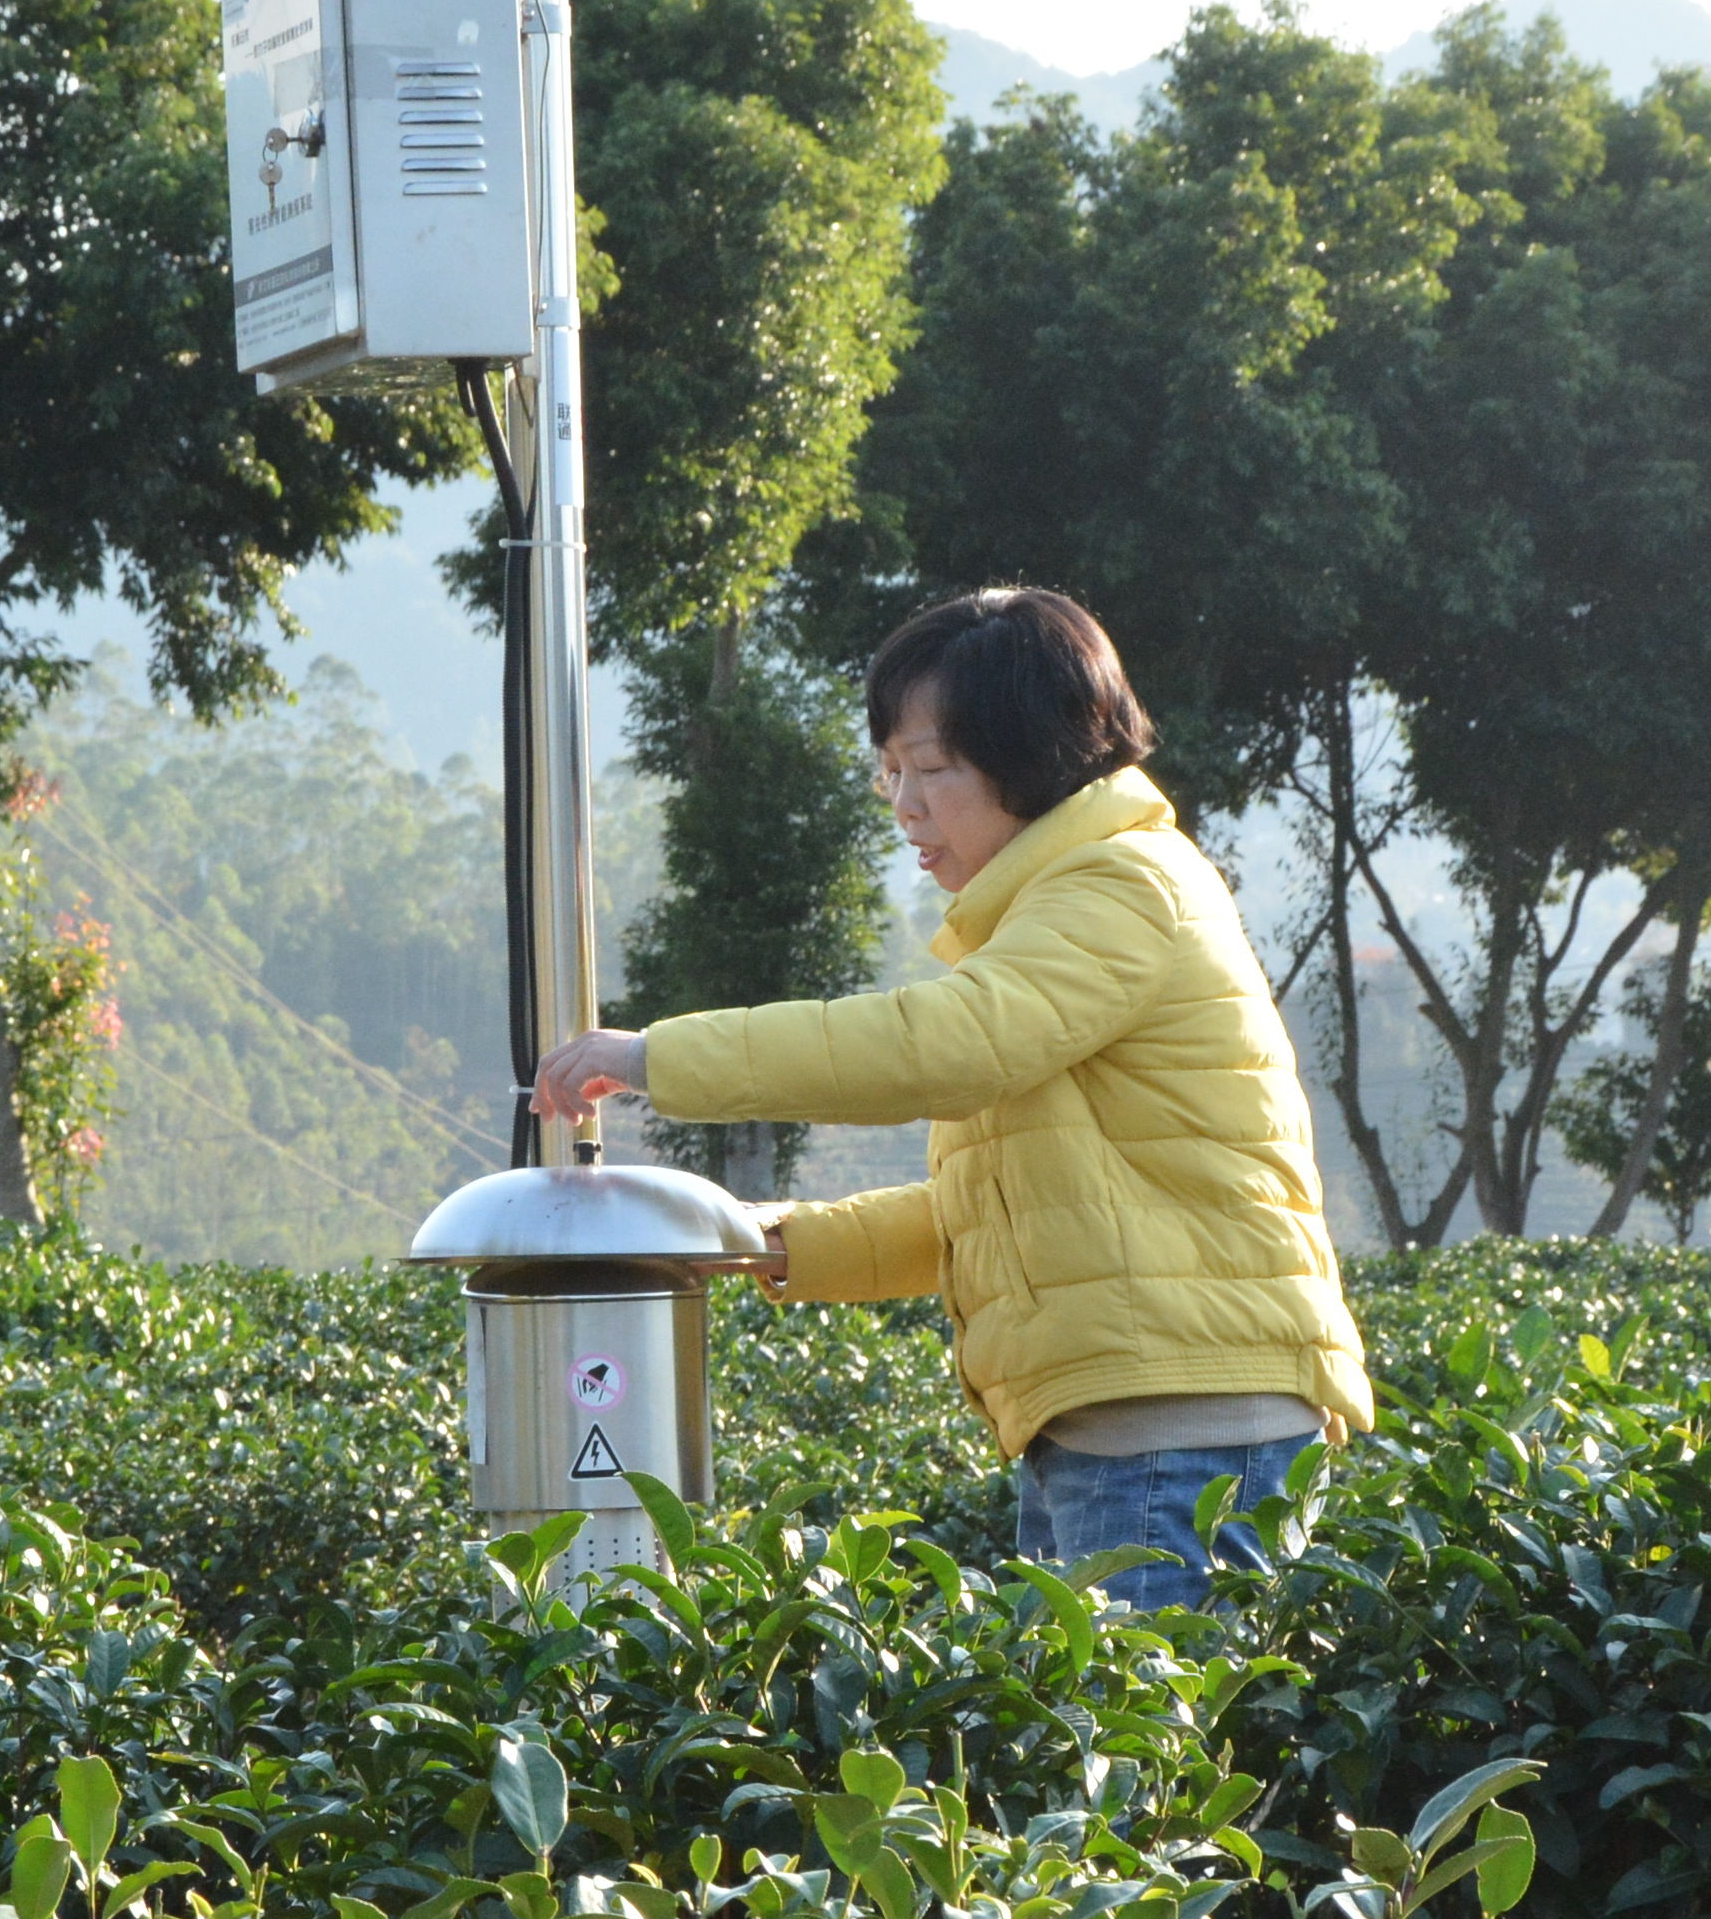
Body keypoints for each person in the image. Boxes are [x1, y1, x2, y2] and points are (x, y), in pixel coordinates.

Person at [531, 583, 1367, 1605]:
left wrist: (660, 1055)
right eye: (890, 774)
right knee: (1084, 1748)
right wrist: (775, 1239)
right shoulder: (1060, 910)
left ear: (1036, 756)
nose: (905, 807)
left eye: (933, 770)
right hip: (1115, 1423)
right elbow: (998, 1209)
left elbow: (939, 1049)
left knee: (1133, 1751)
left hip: (1174, 1435)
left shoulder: (1124, 886)